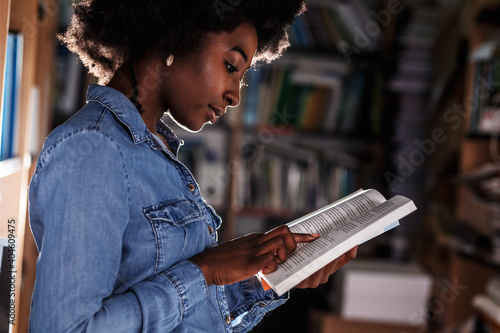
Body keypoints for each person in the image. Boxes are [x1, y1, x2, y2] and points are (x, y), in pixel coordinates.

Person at [27, 0, 358, 331]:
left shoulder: (154, 150)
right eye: (231, 67)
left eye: (242, 78)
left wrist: (274, 275)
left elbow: (193, 315)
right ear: (174, 38)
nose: (235, 97)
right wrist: (205, 270)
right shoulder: (93, 149)